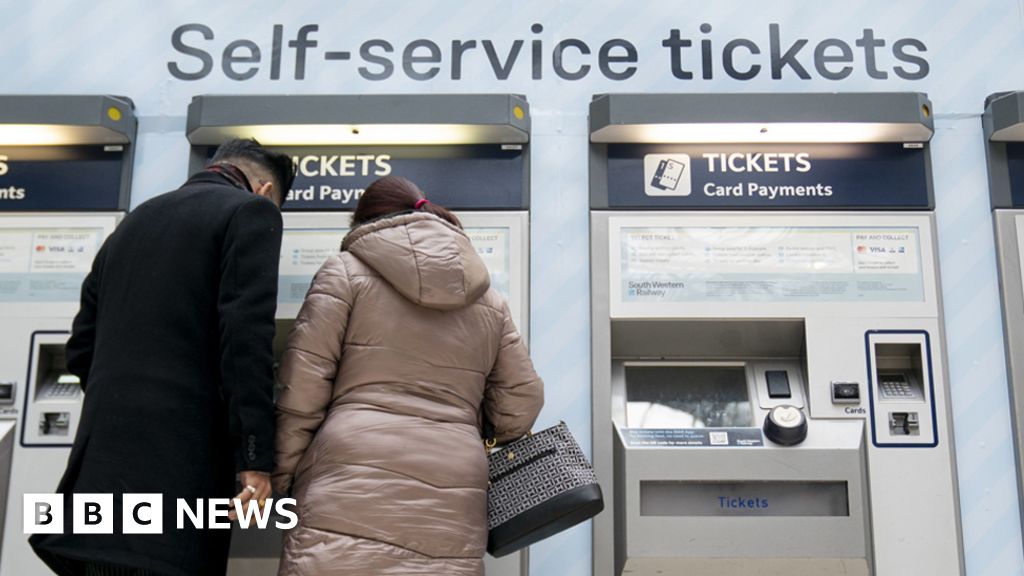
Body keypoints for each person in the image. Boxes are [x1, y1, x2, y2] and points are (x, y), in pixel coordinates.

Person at [30, 139, 296, 576]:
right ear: (265, 190)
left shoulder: (135, 221)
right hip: (178, 479)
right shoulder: (251, 212)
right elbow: (244, 344)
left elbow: (81, 348)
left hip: (97, 476)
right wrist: (254, 460)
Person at [273, 176, 544, 575]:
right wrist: (465, 426)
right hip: (454, 478)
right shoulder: (490, 301)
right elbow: (523, 401)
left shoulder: (344, 273)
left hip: (350, 470)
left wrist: (285, 478)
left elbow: (303, 385)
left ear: (364, 222)